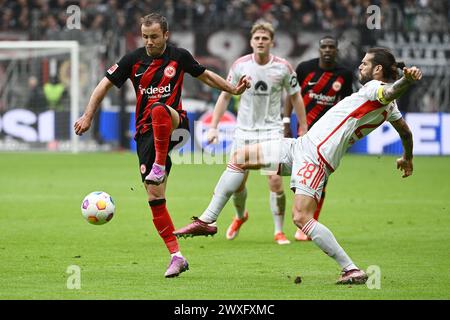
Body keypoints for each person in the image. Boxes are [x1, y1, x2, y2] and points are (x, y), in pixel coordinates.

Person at [174, 47, 422, 284]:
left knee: (302, 218)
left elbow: (389, 93)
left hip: (317, 158)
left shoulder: (375, 88)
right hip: (302, 146)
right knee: (240, 157)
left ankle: (351, 269)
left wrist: (405, 83)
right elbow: (406, 132)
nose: (360, 65)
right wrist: (407, 157)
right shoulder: (390, 108)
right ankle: (208, 220)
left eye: (365, 63)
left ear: (378, 69)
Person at [73, 13, 249, 278]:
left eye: (154, 36)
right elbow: (103, 86)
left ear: (166, 35)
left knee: (158, 109)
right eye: (145, 37)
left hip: (175, 124)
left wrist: (233, 89)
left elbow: (206, 76)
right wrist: (88, 115)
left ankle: (158, 164)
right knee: (155, 197)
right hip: (146, 135)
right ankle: (176, 256)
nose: (149, 42)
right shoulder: (133, 60)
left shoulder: (179, 57)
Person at [175, 21, 308, 244]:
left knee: (275, 180)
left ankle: (278, 230)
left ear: (272, 42)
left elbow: (295, 96)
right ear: (251, 41)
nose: (261, 42)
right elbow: (225, 95)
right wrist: (214, 127)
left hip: (271, 132)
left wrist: (302, 126)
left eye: (265, 38)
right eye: (257, 38)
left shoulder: (283, 67)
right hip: (244, 132)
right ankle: (240, 216)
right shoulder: (240, 66)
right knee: (238, 184)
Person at [284, 36, 354, 241]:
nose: (328, 50)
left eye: (332, 47)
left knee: (320, 179)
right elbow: (291, 94)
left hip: (329, 135)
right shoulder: (305, 68)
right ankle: (302, 218)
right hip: (304, 131)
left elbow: (348, 104)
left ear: (336, 50)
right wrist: (286, 121)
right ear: (319, 49)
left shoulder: (344, 75)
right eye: (324, 46)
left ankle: (308, 222)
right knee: (301, 177)